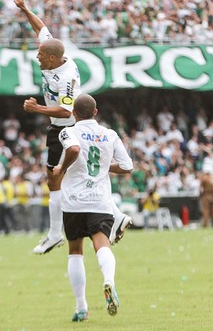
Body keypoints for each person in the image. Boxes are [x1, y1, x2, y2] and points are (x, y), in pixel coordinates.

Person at [15, 0, 131, 254]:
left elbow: (66, 110)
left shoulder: (65, 78)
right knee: (68, 178)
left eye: (41, 55)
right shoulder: (55, 55)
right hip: (63, 127)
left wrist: (38, 109)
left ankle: (55, 234)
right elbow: (40, 27)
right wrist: (24, 9)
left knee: (55, 180)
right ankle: (117, 216)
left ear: (54, 59)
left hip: (65, 129)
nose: (37, 56)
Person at [52, 93, 134, 321]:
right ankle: (109, 280)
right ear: (95, 112)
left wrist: (62, 168)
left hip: (74, 202)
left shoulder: (68, 131)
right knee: (102, 246)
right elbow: (127, 166)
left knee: (75, 252)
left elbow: (74, 150)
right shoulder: (110, 134)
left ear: (73, 113)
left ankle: (81, 307)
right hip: (99, 201)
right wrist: (104, 166)